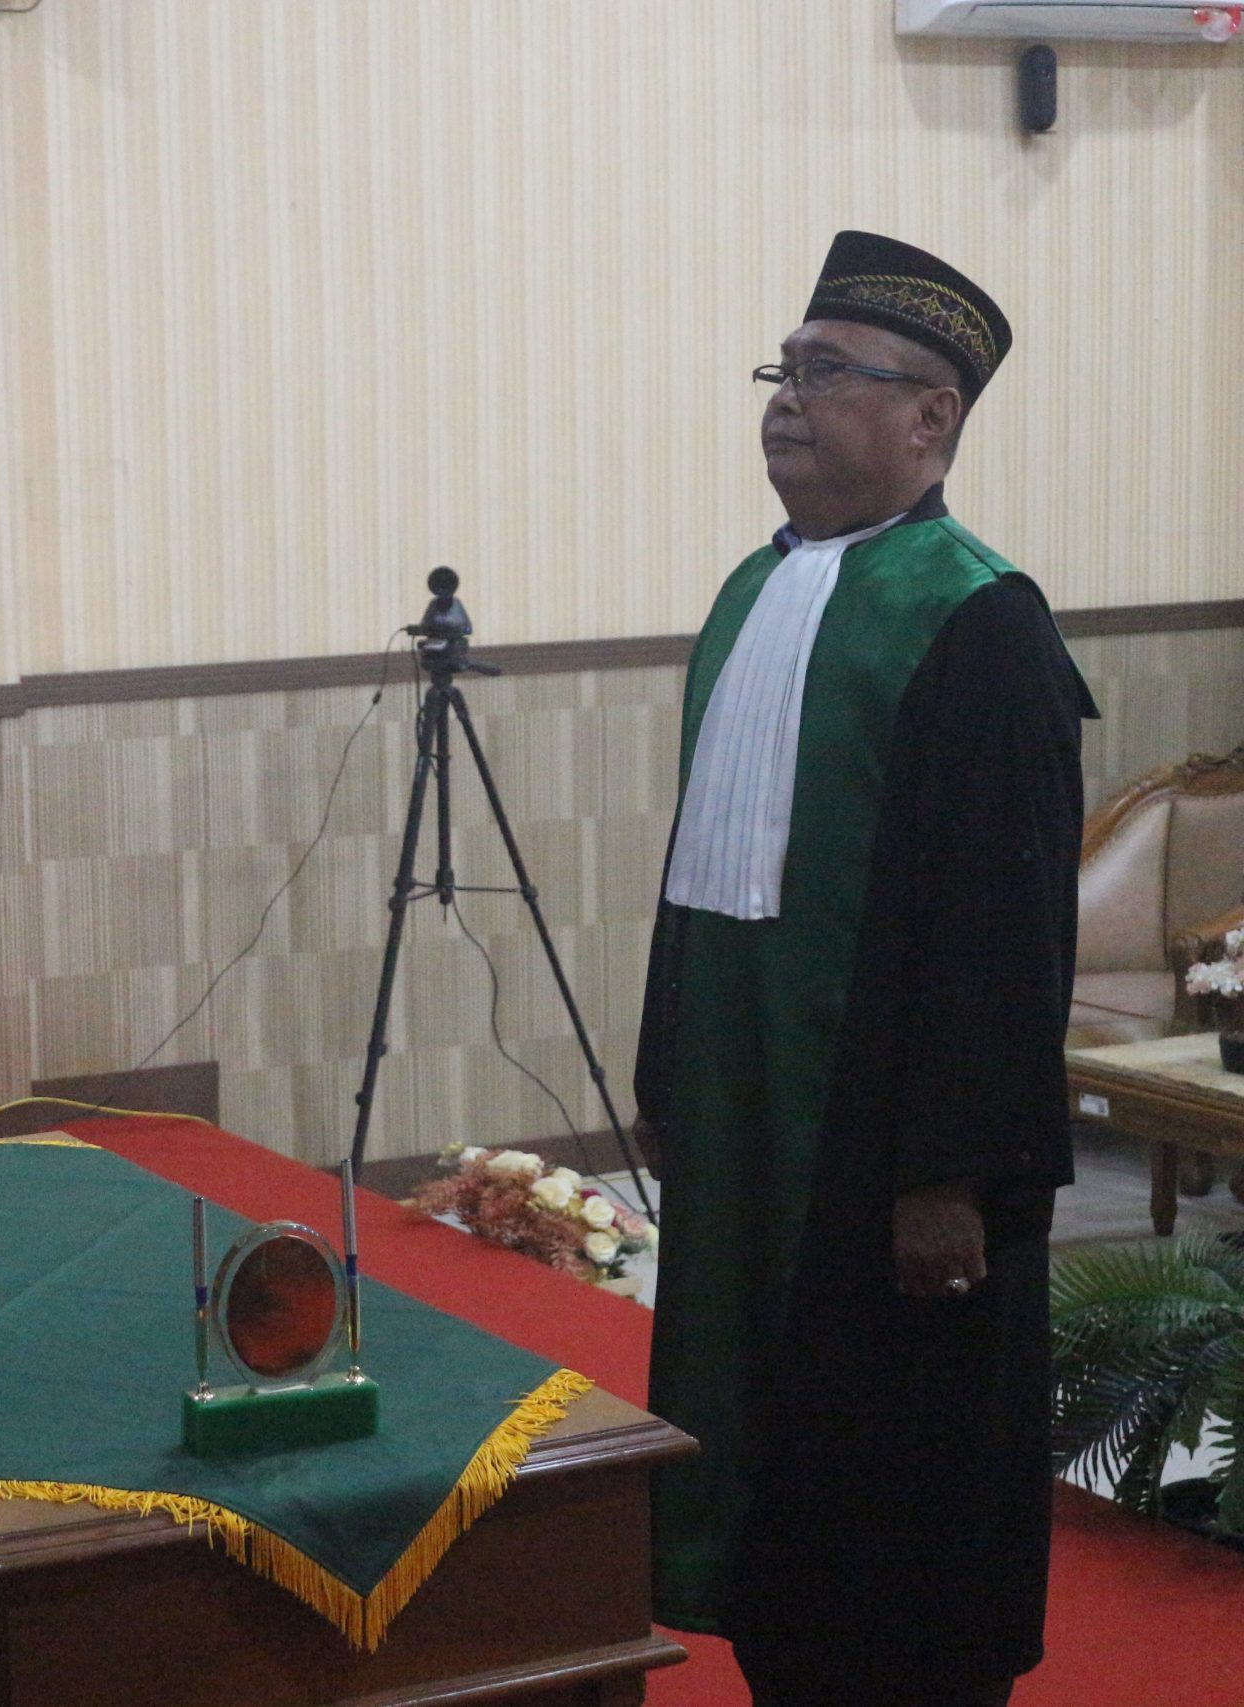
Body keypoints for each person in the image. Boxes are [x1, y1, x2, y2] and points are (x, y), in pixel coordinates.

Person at [634, 232, 1094, 1707]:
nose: (788, 398)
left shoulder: (979, 620)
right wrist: (668, 1072)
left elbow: (1007, 939)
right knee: (767, 1455)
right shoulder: (749, 592)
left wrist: (949, 1172)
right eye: (784, 368)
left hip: (888, 1150)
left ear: (931, 417)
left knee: (895, 1493)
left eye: (831, 372)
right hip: (750, 1126)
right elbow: (698, 875)